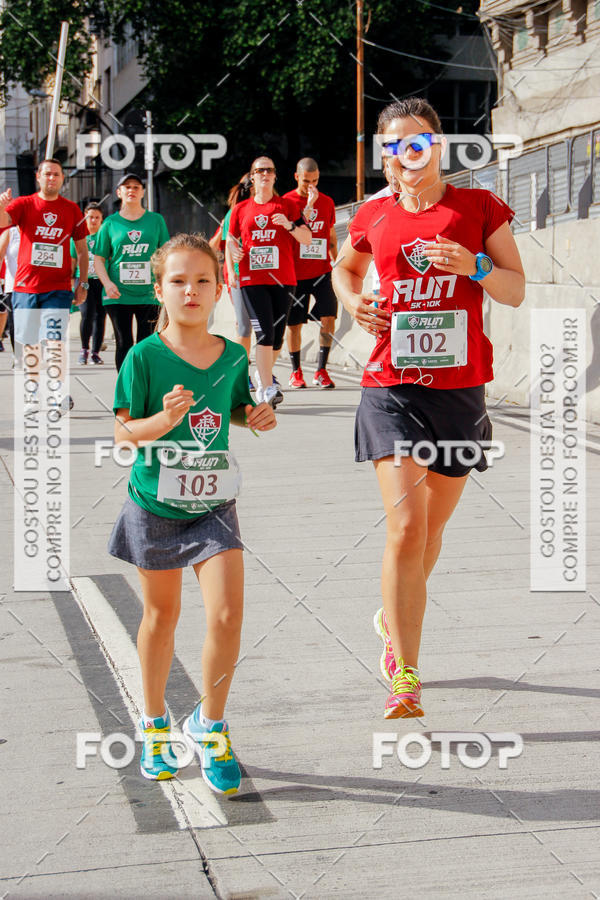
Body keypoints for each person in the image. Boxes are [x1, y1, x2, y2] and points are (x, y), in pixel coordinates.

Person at [332, 98, 525, 719]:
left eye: (416, 144)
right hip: (389, 385)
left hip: (459, 390)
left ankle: (392, 615)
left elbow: (515, 288)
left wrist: (475, 265)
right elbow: (344, 267)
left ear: (436, 146)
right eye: (392, 147)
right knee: (407, 527)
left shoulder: (476, 208)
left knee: (432, 532)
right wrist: (356, 301)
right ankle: (406, 674)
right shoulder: (374, 214)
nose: (403, 157)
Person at [108, 232, 276, 789]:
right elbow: (124, 436)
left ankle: (210, 725)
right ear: (159, 291)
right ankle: (155, 724)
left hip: (213, 506)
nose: (191, 290)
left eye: (203, 280)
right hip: (155, 504)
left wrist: (256, 417)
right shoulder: (143, 357)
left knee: (227, 616)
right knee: (162, 618)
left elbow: (235, 409)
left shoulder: (231, 354)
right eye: (178, 281)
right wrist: (164, 421)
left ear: (220, 287)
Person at [0, 159, 89, 409]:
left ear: (62, 179)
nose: (51, 178)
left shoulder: (71, 209)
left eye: (56, 174)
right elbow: (2, 222)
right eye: (47, 174)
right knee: (29, 343)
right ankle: (32, 392)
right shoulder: (25, 204)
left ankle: (57, 391)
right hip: (25, 287)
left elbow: (82, 251)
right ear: (38, 176)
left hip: (58, 288)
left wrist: (83, 283)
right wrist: (1, 206)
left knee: (54, 341)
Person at [226, 156, 312, 407]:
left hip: (283, 279)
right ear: (252, 177)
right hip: (252, 280)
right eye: (259, 170)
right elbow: (230, 239)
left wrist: (289, 226)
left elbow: (306, 238)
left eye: (269, 170)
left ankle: (262, 374)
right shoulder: (241, 209)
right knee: (263, 332)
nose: (265, 174)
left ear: (275, 176)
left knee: (276, 338)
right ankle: (266, 387)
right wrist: (235, 253)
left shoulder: (287, 205)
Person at [94, 173, 169, 371]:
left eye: (136, 187)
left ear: (143, 192)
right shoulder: (110, 223)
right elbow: (99, 258)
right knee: (124, 343)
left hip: (149, 293)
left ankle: (145, 387)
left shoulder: (156, 220)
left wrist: (164, 283)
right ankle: (125, 388)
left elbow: (165, 254)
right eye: (127, 187)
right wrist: (107, 284)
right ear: (119, 192)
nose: (132, 190)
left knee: (147, 344)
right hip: (117, 294)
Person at [282, 158, 338, 389]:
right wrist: (308, 206)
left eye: (315, 181)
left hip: (321, 270)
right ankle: (296, 371)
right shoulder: (286, 202)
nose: (311, 185)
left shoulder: (327, 202)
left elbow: (331, 234)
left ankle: (321, 369)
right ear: (297, 177)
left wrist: (337, 262)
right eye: (306, 181)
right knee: (294, 325)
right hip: (295, 274)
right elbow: (290, 233)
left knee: (329, 317)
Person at [210, 174, 254, 385]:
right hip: (238, 277)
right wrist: (231, 270)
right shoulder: (235, 213)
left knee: (261, 328)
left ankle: (262, 372)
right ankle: (241, 374)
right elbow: (215, 246)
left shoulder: (269, 208)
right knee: (244, 327)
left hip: (262, 276)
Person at [71, 202, 106, 364]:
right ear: (85, 217)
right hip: (83, 279)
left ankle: (95, 352)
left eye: (97, 218)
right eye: (90, 217)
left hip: (101, 280)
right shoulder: (78, 236)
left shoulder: (105, 236)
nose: (93, 220)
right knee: (86, 314)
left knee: (100, 316)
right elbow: (72, 261)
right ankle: (84, 349)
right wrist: (72, 282)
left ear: (101, 219)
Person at [0, 225, 20, 354]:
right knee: (15, 323)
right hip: (13, 285)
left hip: (35, 285)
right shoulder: (10, 233)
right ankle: (18, 355)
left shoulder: (37, 232)